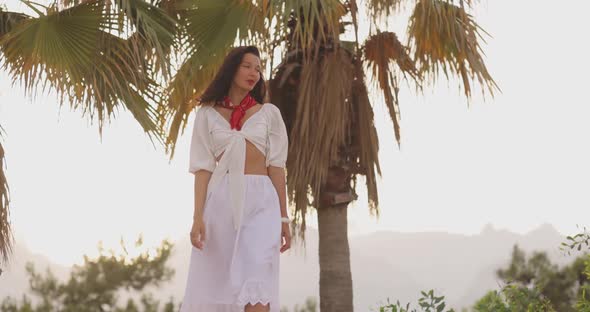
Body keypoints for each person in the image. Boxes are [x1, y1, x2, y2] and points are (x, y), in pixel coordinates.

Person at [179, 45, 291, 312]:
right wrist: (197, 217)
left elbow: (276, 167)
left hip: (262, 201)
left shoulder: (269, 114)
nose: (254, 73)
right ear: (232, 69)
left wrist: (284, 218)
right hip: (222, 202)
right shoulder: (206, 114)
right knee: (220, 283)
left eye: (259, 68)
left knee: (258, 275)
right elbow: (203, 169)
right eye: (247, 66)